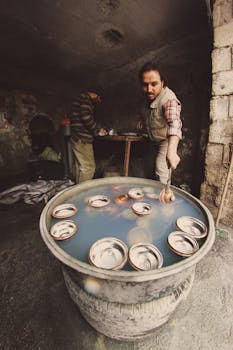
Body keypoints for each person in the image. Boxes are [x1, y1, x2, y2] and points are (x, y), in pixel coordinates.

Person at [137, 61, 182, 191]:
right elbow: (145, 110)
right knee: (149, 167)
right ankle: (152, 196)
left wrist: (172, 151)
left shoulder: (169, 99)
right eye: (145, 85)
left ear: (162, 82)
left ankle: (165, 201)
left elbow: (175, 123)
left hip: (165, 140)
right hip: (153, 140)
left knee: (161, 169)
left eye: (154, 84)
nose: (149, 89)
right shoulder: (147, 96)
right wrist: (141, 119)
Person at [70, 91, 107, 183]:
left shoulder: (78, 99)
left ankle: (76, 191)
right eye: (98, 97)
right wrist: (98, 130)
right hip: (82, 139)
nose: (99, 100)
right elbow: (86, 118)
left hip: (76, 137)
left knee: (80, 167)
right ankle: (82, 192)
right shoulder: (85, 100)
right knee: (89, 168)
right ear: (93, 93)